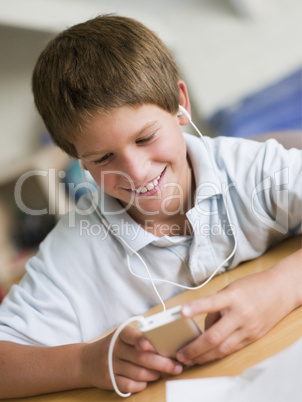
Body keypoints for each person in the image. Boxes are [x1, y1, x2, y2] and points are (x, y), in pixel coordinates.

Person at [0, 14, 301, 398]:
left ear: (180, 104)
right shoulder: (75, 249)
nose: (137, 173)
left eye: (144, 138)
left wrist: (285, 286)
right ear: (79, 160)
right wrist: (86, 363)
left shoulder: (250, 170)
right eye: (104, 157)